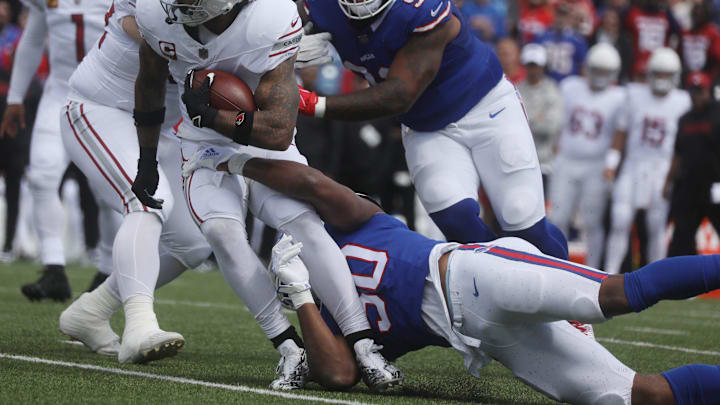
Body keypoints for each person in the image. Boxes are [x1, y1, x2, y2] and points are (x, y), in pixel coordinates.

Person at [183, 149, 720, 404]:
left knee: (616, 294)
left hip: (472, 275)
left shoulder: (358, 222)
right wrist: (299, 294)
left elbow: (315, 184)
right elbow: (341, 375)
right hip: (482, 335)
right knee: (630, 398)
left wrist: (234, 163)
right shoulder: (316, 303)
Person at [131, 0, 402, 390]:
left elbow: (276, 129)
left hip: (263, 143)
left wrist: (212, 115)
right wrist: (146, 160)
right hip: (202, 146)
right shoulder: (156, 15)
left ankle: (364, 343)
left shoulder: (269, 17)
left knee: (305, 225)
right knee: (221, 234)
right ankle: (291, 349)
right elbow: (150, 81)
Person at [297, 0, 569, 260]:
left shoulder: (422, 8)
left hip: (486, 106)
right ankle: (505, 284)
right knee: (455, 218)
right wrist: (287, 43)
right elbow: (278, 21)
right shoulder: (322, 5)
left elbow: (399, 95)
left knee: (521, 216)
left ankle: (574, 289)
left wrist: (312, 103)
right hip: (426, 125)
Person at [0, 0, 110, 301]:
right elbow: (33, 39)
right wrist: (15, 97)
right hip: (59, 93)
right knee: (42, 175)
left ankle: (108, 270)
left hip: (108, 98)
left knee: (109, 189)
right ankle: (54, 270)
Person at [603, 47, 691, 275]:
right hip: (634, 164)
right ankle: (609, 274)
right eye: (658, 73)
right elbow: (621, 133)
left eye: (666, 74)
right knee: (620, 219)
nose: (661, 79)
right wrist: (612, 163)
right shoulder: (633, 94)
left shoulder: (683, 101)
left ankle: (656, 277)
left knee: (656, 225)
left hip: (662, 168)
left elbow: (685, 142)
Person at [549, 43, 626, 268]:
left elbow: (620, 133)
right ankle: (555, 266)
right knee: (558, 217)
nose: (600, 76)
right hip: (567, 160)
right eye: (597, 69)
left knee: (592, 222)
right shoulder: (570, 86)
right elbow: (558, 121)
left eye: (605, 71)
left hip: (596, 164)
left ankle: (592, 270)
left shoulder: (619, 96)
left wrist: (612, 162)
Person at [664, 71, 720, 257]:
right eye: (694, 91)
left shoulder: (717, 112)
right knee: (681, 239)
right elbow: (678, 153)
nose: (697, 96)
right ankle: (683, 282)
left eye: (701, 91)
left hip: (715, 186)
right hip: (689, 187)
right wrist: (668, 181)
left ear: (708, 91)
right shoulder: (684, 119)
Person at [516, 43, 563, 179]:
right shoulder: (515, 89)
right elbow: (509, 124)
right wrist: (538, 118)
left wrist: (525, 120)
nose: (533, 69)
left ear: (543, 66)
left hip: (544, 162)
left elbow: (551, 127)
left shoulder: (553, 90)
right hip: (519, 160)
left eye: (536, 65)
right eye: (530, 65)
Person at [532, 2, 588, 82]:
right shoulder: (542, 37)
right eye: (559, 15)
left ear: (570, 17)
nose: (561, 19)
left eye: (564, 16)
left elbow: (583, 66)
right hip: (546, 83)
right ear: (553, 15)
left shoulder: (578, 40)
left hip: (569, 83)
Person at [680, 1, 720, 76]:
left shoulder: (712, 32)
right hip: (686, 75)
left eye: (700, 12)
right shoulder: (685, 33)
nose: (698, 14)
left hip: (707, 76)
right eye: (696, 12)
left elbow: (717, 57)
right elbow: (680, 53)